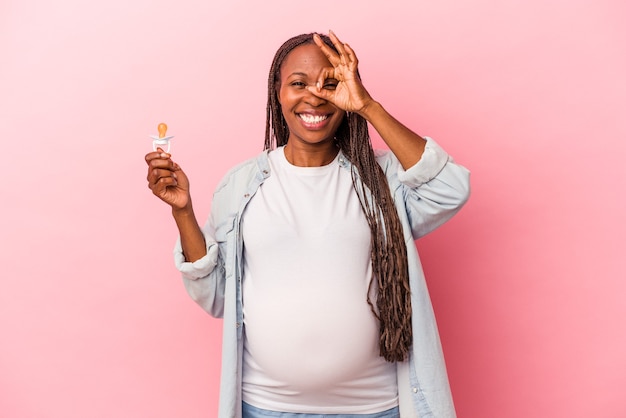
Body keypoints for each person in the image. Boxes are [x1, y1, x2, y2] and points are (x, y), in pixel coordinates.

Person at [145, 31, 470, 418]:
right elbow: (216, 296)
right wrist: (183, 212)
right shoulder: (242, 185)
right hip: (266, 407)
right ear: (277, 93)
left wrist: (367, 106)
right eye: (298, 83)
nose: (315, 96)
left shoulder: (382, 179)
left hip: (375, 407)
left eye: (330, 84)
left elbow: (450, 189)